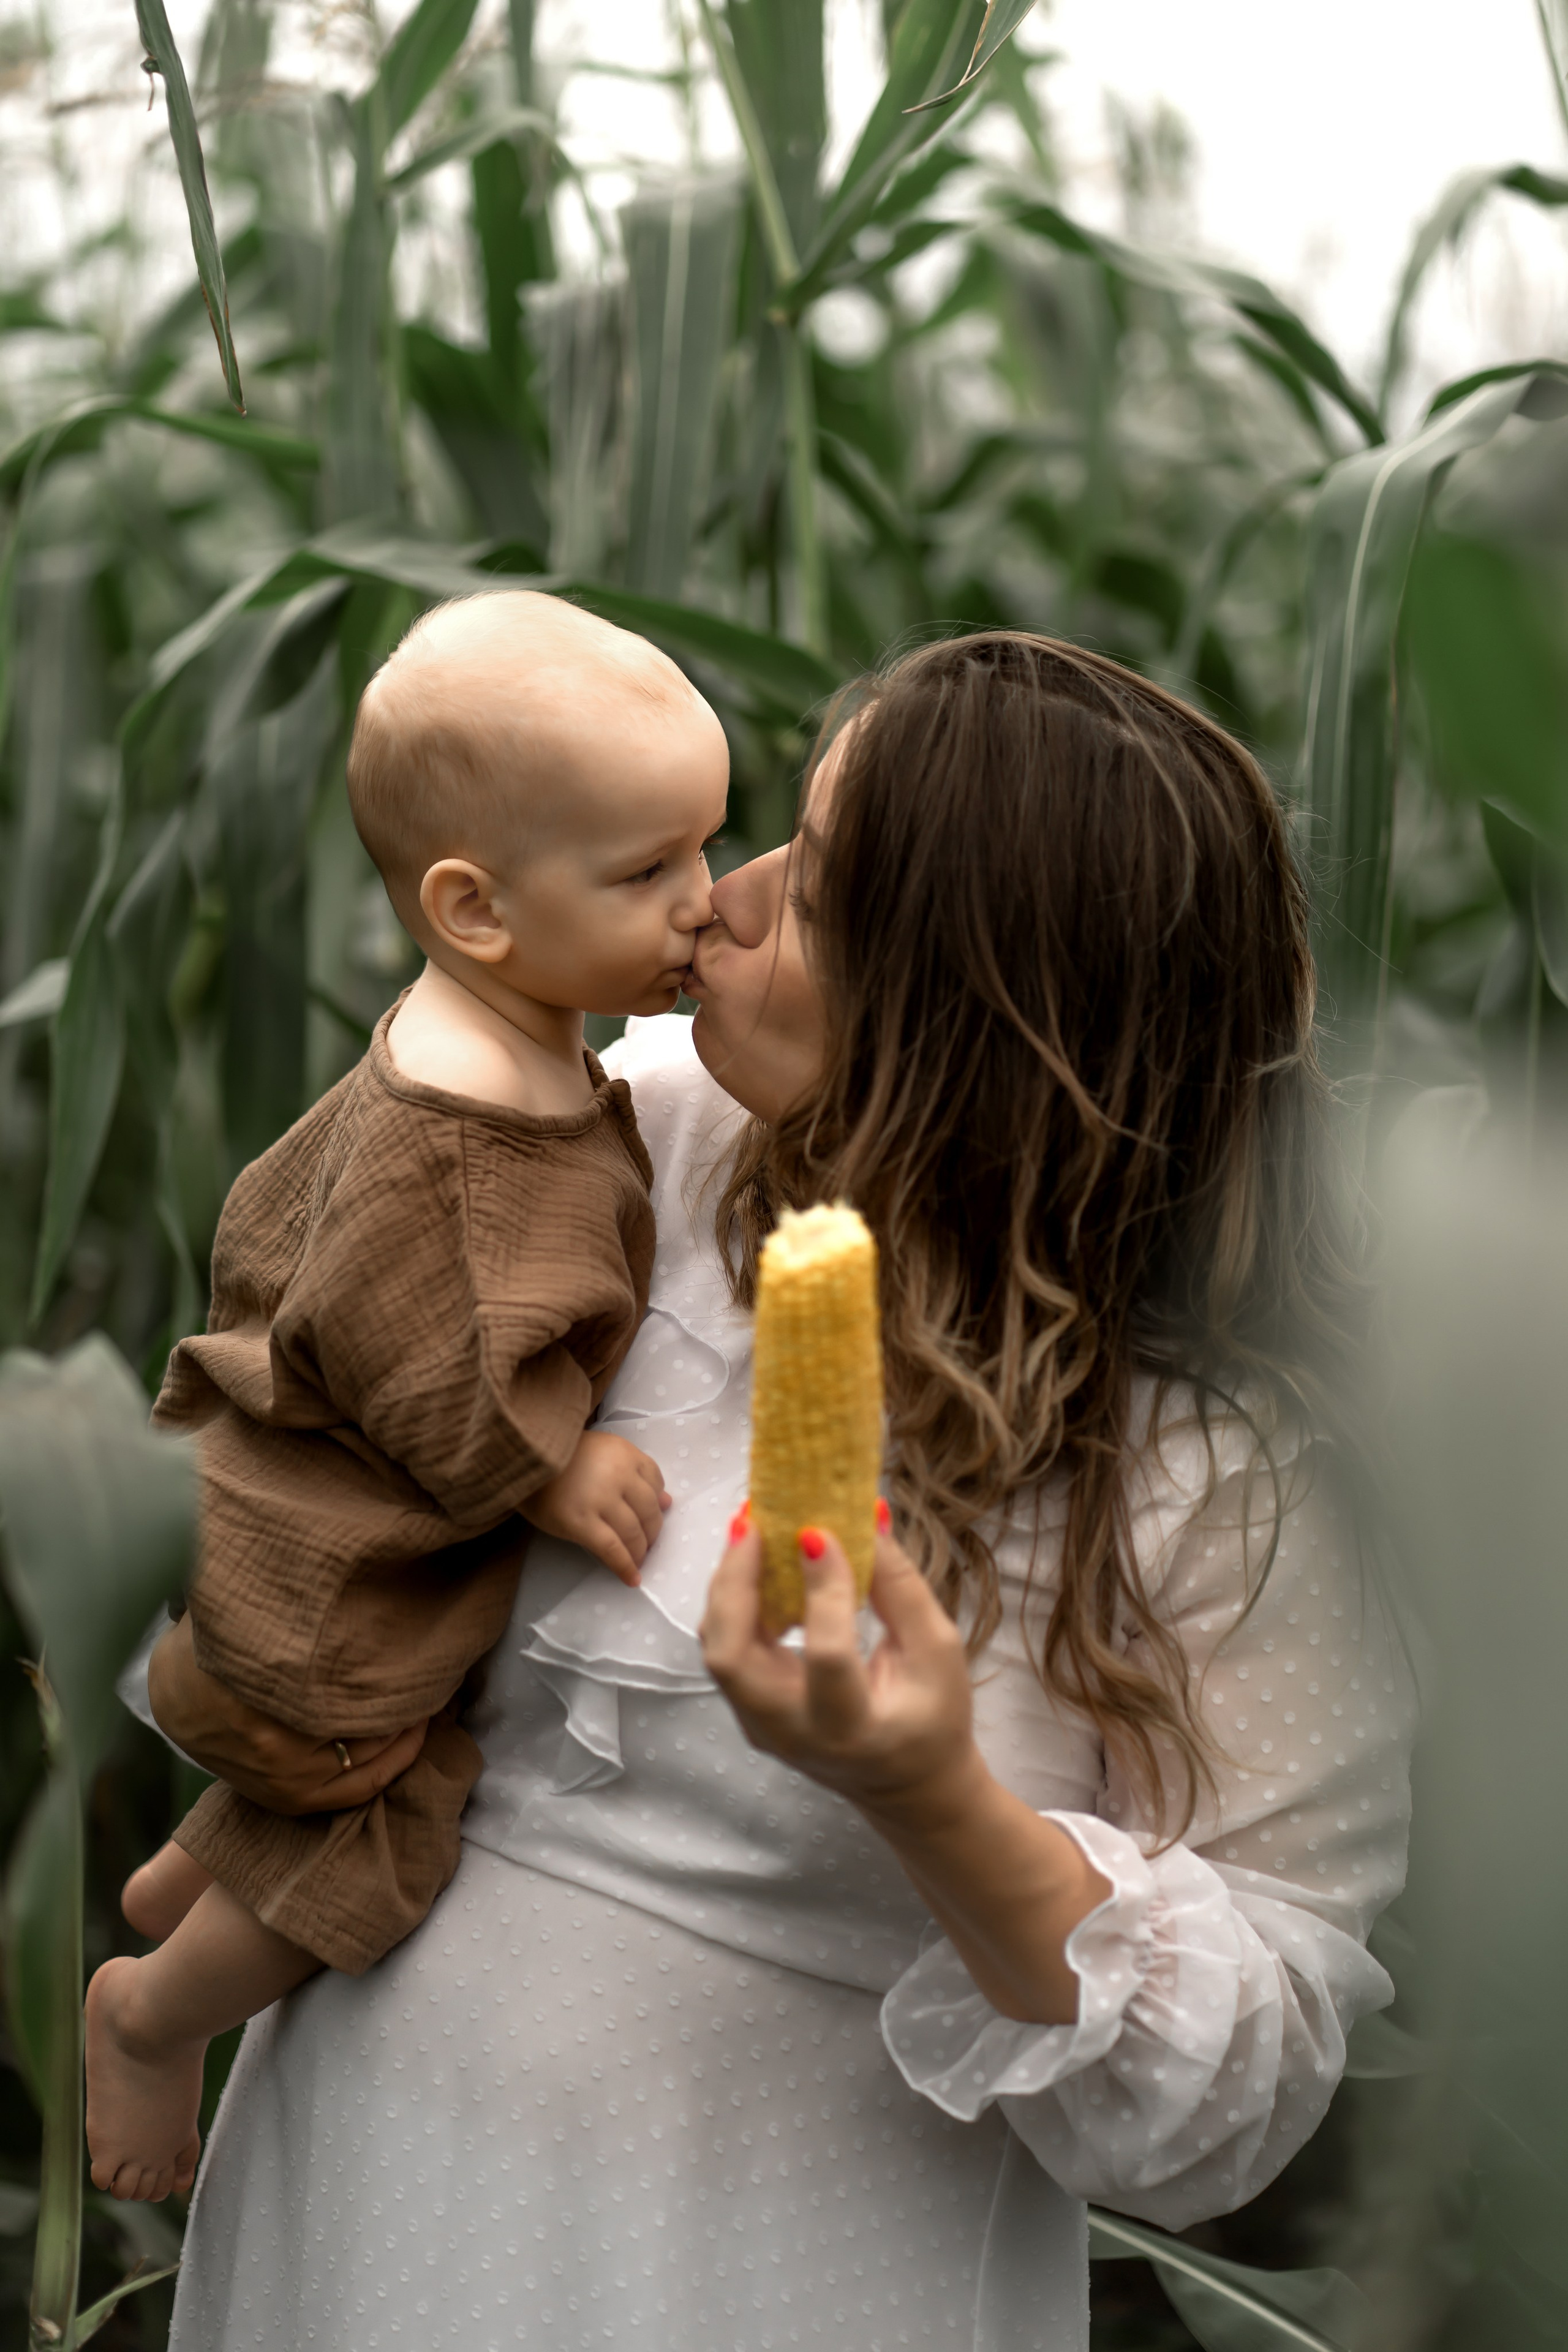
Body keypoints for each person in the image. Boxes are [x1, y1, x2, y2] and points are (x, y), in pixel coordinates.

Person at [135, 632, 1414, 2351]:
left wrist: (929, 1791)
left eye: (818, 888)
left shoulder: (1210, 1489)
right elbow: (294, 1377)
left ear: (972, 1023)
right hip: (359, 2212)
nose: (723, 902)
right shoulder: (617, 1145)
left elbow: (1226, 2113)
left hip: (786, 2279)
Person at [87, 592, 729, 2204]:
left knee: (341, 1761)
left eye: (707, 849)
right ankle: (155, 2011)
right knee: (392, 1815)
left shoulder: (515, 1036)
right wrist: (553, 1470)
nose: (704, 907)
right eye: (651, 872)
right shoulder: (459, 1127)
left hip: (324, 1503)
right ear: (476, 908)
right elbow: (426, 1363)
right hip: (331, 1549)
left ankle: (184, 1878)